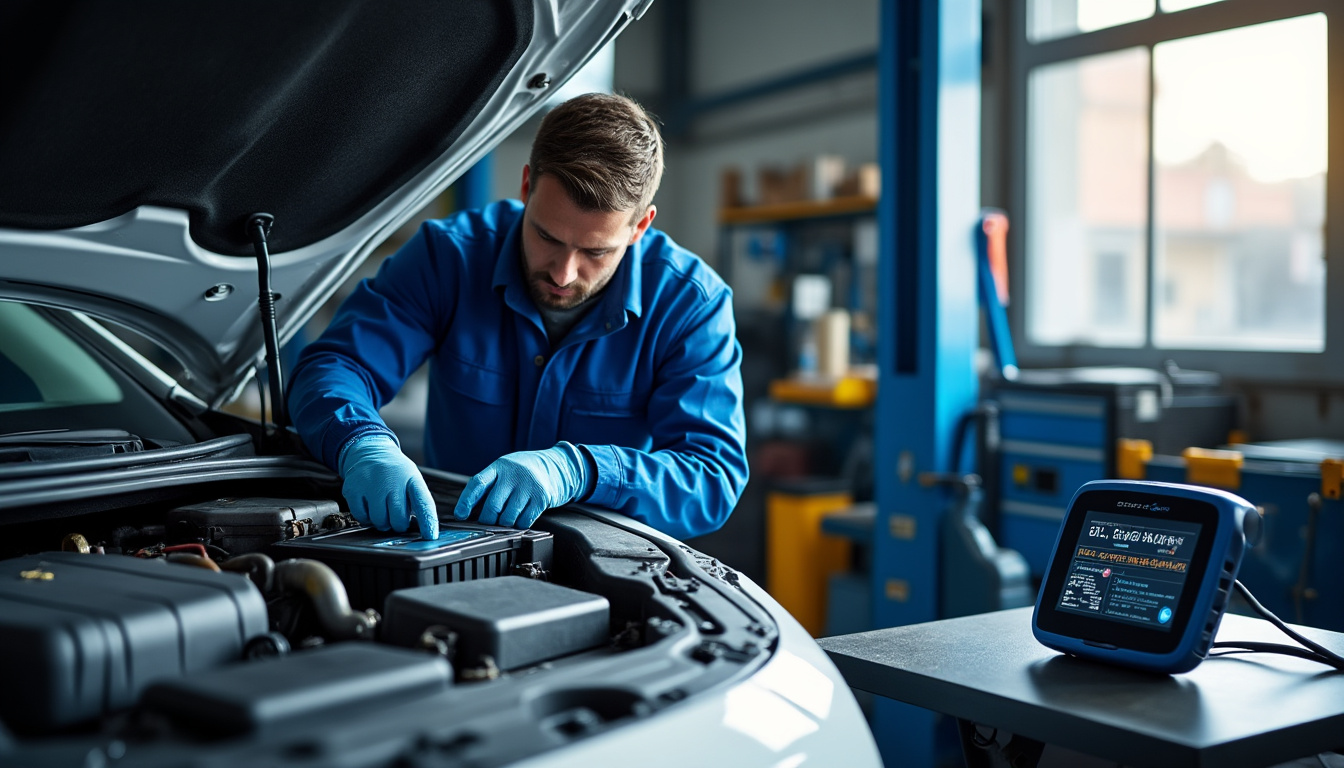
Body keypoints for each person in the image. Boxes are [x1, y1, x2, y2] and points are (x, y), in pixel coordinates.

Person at [288, 93, 747, 542]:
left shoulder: (690, 304)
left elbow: (712, 476)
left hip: (603, 562)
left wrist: (580, 470)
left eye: (595, 251)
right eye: (547, 236)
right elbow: (336, 366)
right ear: (527, 186)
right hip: (450, 544)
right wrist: (362, 443)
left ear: (640, 226)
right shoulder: (448, 258)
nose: (564, 273)